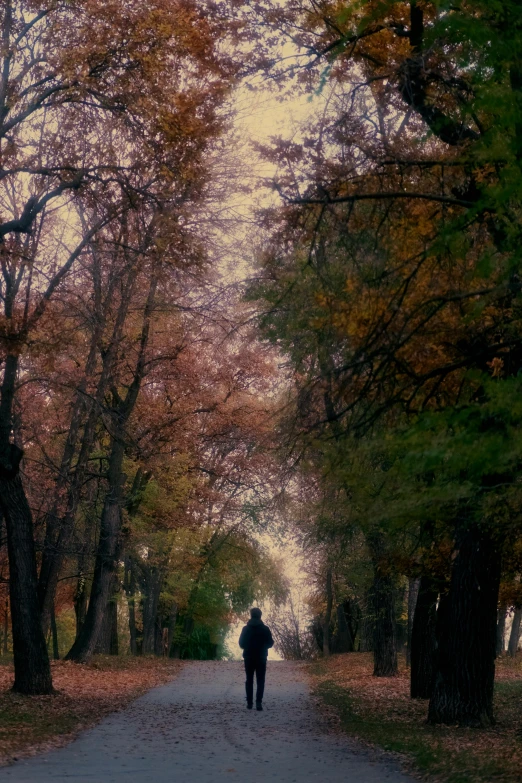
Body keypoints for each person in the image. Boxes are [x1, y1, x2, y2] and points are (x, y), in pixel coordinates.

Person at [238, 607, 274, 711]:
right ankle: (259, 703)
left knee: (249, 679)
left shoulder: (245, 629)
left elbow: (241, 643)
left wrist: (247, 647)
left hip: (248, 657)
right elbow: (271, 643)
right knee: (260, 680)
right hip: (261, 657)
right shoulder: (265, 629)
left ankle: (249, 703)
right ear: (260, 616)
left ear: (251, 615)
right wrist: (263, 647)